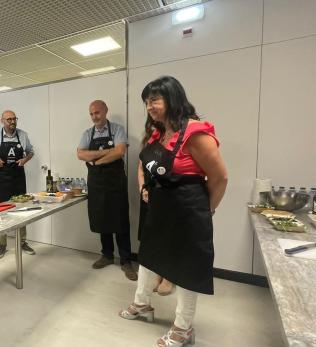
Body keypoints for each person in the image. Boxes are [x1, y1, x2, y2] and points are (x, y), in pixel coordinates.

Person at [119, 76, 228, 347]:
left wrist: (207, 210)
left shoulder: (196, 133)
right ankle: (142, 304)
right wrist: (146, 188)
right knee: (148, 256)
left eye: (155, 100)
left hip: (190, 210)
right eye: (146, 101)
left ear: (173, 99)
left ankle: (183, 328)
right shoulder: (159, 133)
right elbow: (147, 167)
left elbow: (220, 178)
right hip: (160, 208)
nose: (149, 107)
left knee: (187, 268)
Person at [76, 100, 136, 280]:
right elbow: (80, 154)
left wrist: (96, 161)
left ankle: (126, 261)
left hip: (115, 182)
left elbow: (119, 152)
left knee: (120, 218)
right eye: (92, 114)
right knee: (101, 216)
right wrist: (106, 152)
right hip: (96, 183)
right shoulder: (87, 133)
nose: (95, 117)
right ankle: (107, 255)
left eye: (97, 113)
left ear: (105, 111)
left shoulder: (117, 130)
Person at [0, 110, 36, 258]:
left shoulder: (23, 135)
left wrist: (25, 160)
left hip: (18, 177)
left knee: (22, 209)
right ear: (2, 121)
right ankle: (2, 244)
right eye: (9, 119)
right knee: (0, 210)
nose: (12, 122)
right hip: (2, 178)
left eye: (14, 119)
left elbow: (30, 152)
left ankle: (22, 241)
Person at [138, 117, 174, 296]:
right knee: (154, 236)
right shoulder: (149, 140)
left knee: (169, 236)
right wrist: (142, 188)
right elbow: (140, 167)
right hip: (149, 195)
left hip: (168, 196)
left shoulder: (176, 138)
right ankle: (159, 272)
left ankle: (169, 276)